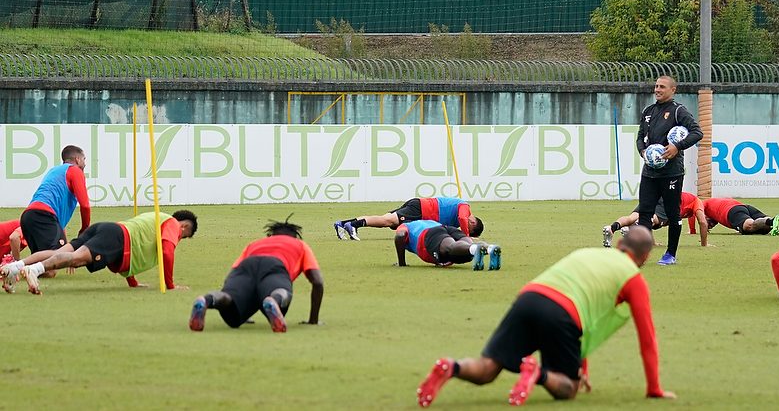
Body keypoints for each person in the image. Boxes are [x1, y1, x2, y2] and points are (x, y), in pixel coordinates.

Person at [416, 225, 675, 407]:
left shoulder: (586, 252)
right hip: (563, 314)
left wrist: (579, 364)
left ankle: (452, 366)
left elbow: (586, 309)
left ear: (619, 244)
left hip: (529, 298)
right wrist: (654, 388)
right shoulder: (634, 279)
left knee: (487, 369)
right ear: (645, 256)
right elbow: (647, 338)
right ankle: (536, 373)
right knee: (568, 388)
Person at [0, 210, 198, 295]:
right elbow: (166, 251)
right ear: (183, 226)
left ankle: (15, 267)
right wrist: (170, 285)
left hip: (108, 230)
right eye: (184, 233)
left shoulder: (155, 219)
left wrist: (133, 282)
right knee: (76, 259)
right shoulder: (171, 223)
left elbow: (136, 248)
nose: (179, 238)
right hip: (116, 237)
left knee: (61, 252)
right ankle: (34, 270)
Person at [189, 216, 324, 333]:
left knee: (232, 313)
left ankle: (206, 300)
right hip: (275, 266)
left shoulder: (255, 244)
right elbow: (317, 281)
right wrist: (313, 320)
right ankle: (273, 301)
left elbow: (234, 273)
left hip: (246, 266)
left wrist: (240, 302)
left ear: (271, 235)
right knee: (281, 293)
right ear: (294, 236)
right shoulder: (299, 245)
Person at [636, 76, 703, 266]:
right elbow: (640, 136)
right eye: (656, 86)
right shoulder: (648, 111)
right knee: (644, 213)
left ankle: (670, 254)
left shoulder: (678, 111)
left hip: (671, 173)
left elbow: (697, 132)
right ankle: (641, 253)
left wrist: (677, 147)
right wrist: (643, 151)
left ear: (673, 90)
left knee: (673, 214)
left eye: (662, 87)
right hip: (649, 172)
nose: (657, 89)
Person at [20, 145, 91, 254]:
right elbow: (85, 205)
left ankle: (18, 266)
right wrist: (84, 229)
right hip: (44, 216)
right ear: (77, 159)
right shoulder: (75, 170)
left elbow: (57, 222)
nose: (85, 163)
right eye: (84, 159)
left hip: (28, 217)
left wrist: (67, 251)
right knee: (52, 266)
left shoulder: (53, 171)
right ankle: (16, 266)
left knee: (42, 264)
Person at [334, 196, 483, 241]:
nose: (464, 229)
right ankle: (353, 226)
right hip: (421, 209)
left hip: (420, 208)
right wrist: (467, 238)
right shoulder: (465, 208)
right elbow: (463, 218)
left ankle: (343, 224)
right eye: (469, 229)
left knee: (384, 220)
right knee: (388, 221)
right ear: (472, 222)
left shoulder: (457, 221)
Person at [602, 192, 709, 248]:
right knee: (653, 219)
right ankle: (635, 227)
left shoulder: (690, 203)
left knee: (632, 217)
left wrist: (652, 243)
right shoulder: (698, 202)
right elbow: (703, 222)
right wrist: (704, 244)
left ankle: (612, 228)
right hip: (669, 200)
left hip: (657, 196)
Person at [394, 220, 500, 271]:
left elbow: (400, 235)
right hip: (446, 227)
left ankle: (474, 249)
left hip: (428, 235)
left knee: (451, 248)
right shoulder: (426, 221)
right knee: (466, 246)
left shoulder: (405, 226)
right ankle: (489, 248)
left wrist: (401, 263)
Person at [702, 198, 779, 236]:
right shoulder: (717, 204)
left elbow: (695, 214)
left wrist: (692, 230)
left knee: (749, 226)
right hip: (745, 207)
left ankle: (772, 221)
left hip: (732, 211)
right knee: (764, 228)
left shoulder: (703, 204)